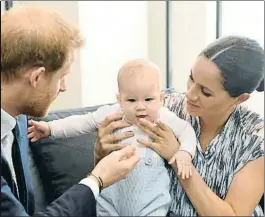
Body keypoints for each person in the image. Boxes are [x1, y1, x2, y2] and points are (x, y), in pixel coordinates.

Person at [94, 36, 264, 216]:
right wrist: (100, 153)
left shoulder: (255, 140)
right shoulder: (165, 108)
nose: (190, 94)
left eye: (205, 92)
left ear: (240, 99)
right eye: (191, 78)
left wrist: (178, 158)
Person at [1, 5, 140, 217]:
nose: (64, 87)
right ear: (36, 78)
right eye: (61, 77)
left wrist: (99, 164)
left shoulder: (17, 118)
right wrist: (97, 179)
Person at [27, 59, 197, 216]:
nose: (140, 107)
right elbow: (82, 123)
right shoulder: (113, 113)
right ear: (119, 100)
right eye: (131, 100)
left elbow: (187, 131)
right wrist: (50, 128)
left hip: (150, 204)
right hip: (111, 200)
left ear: (160, 98)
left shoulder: (164, 117)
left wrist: (184, 154)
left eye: (148, 99)